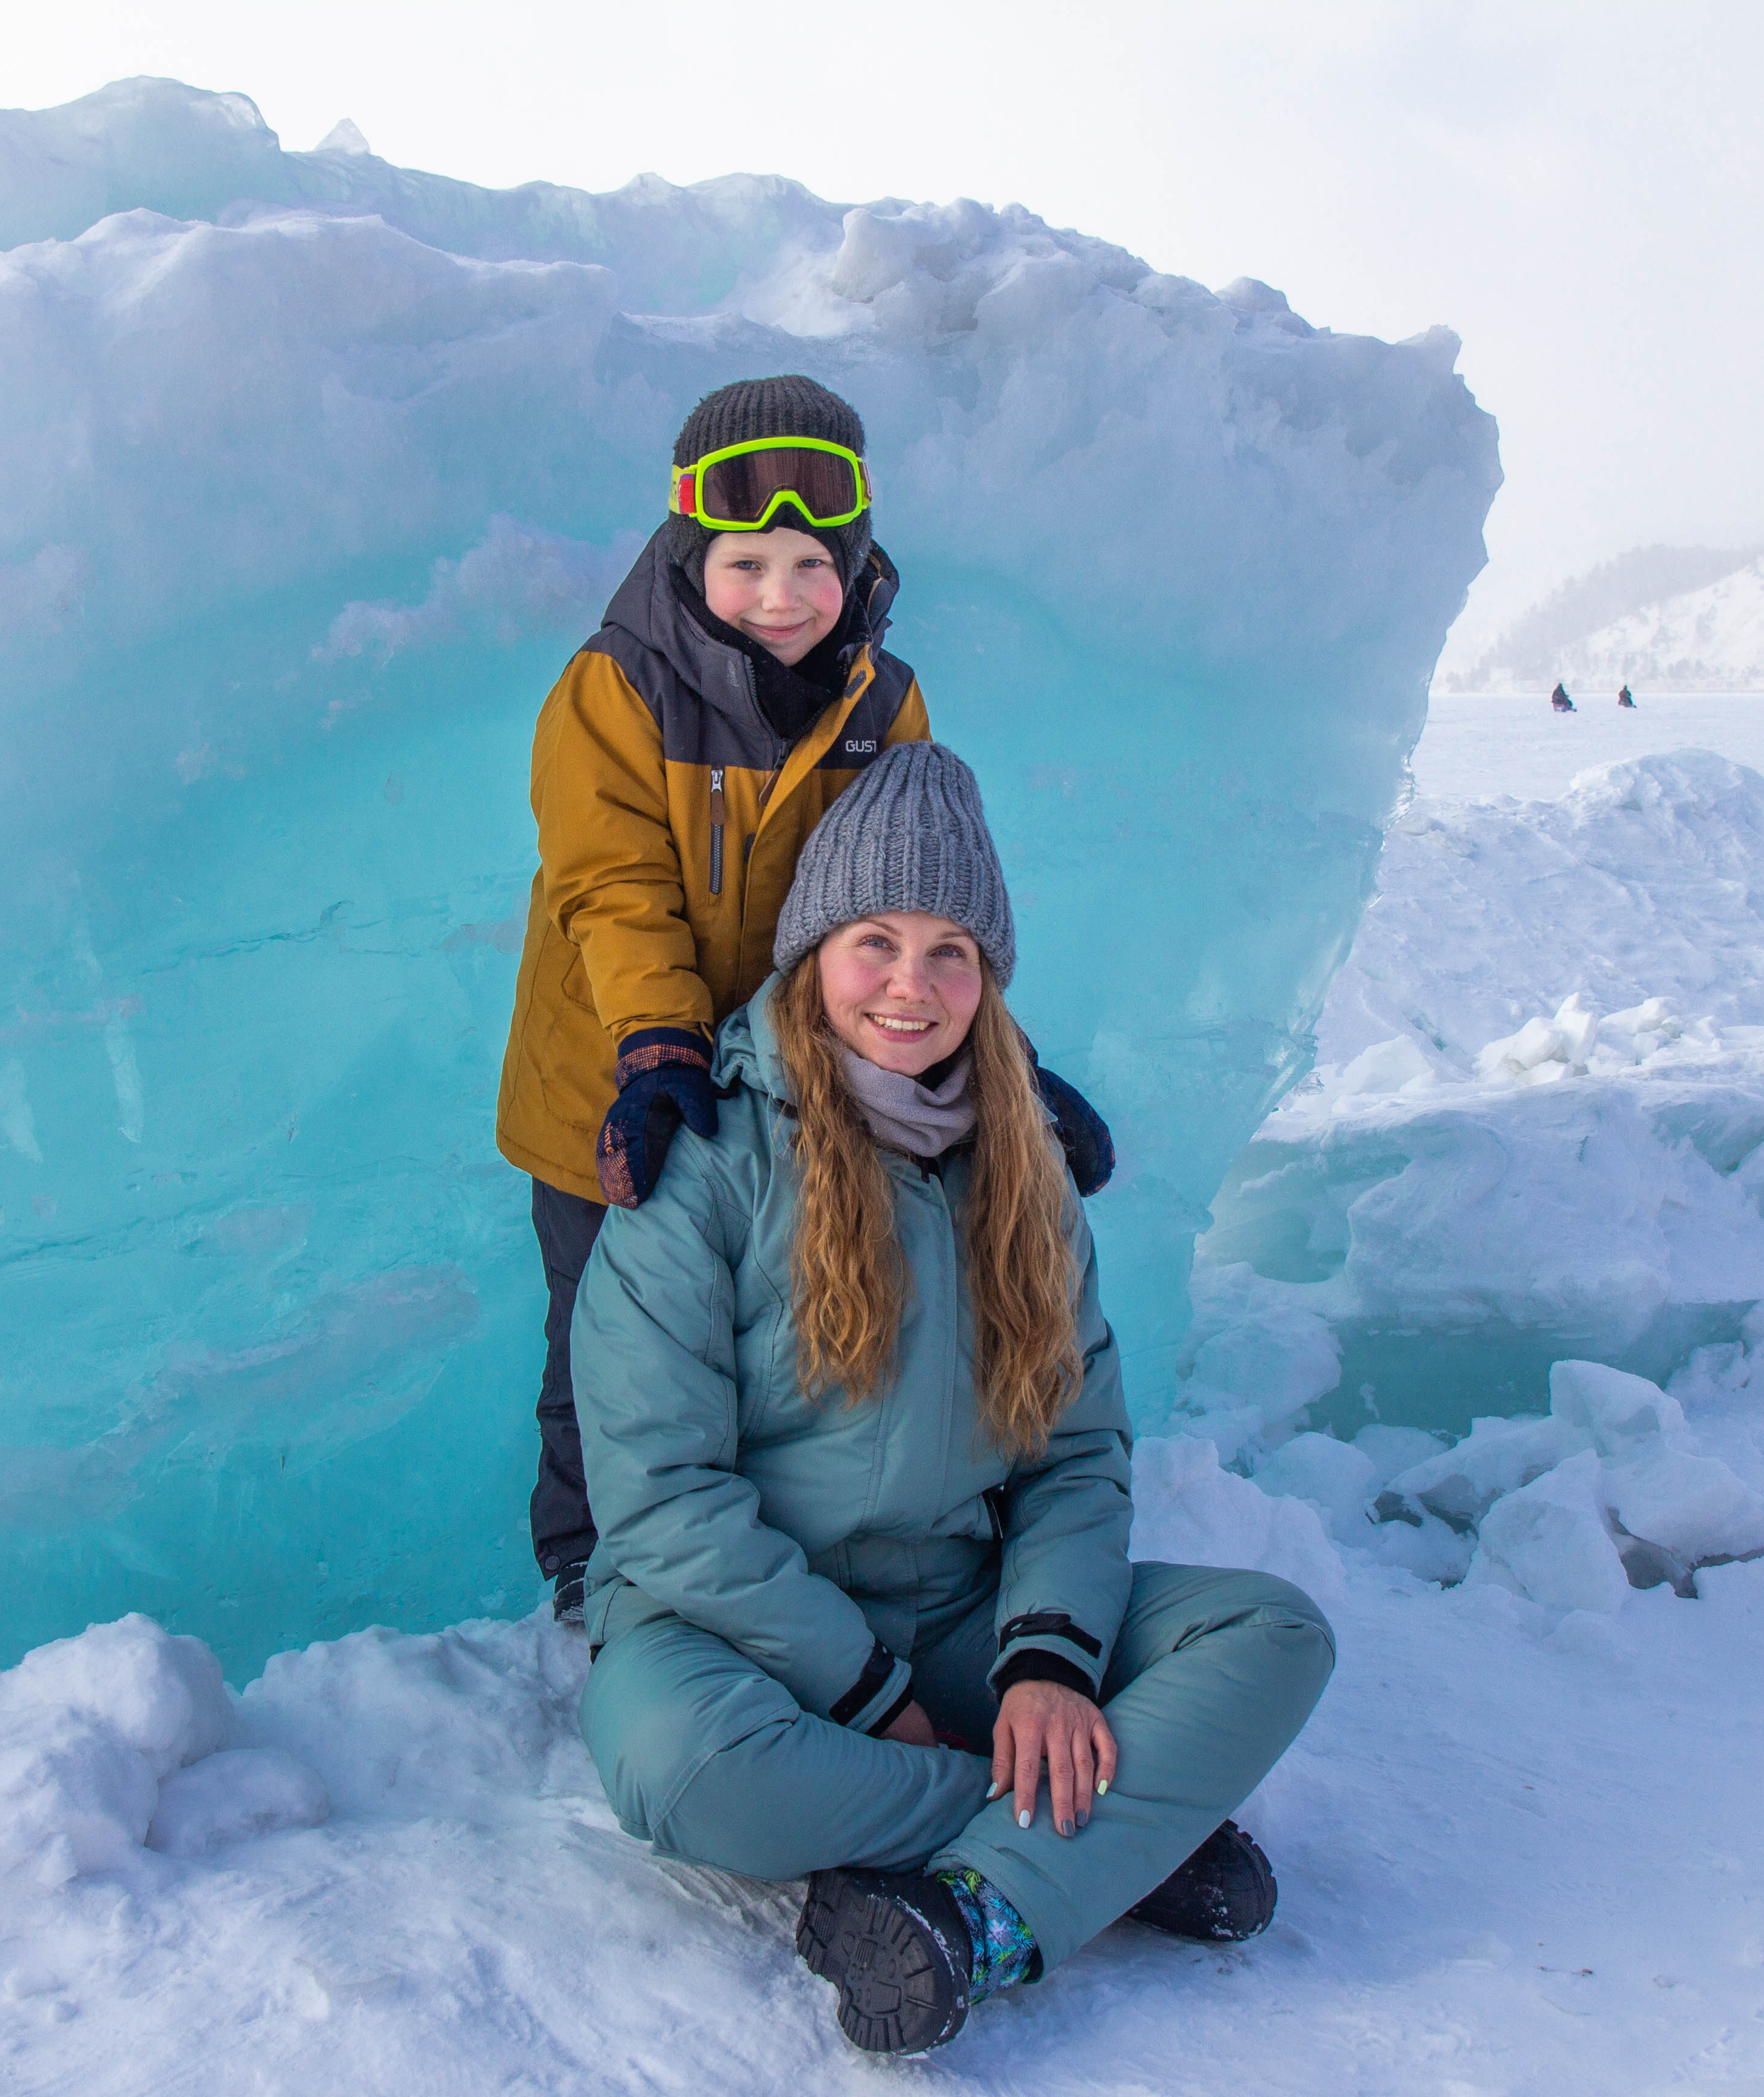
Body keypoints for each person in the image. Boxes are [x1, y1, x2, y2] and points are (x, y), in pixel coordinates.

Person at [568, 744, 1334, 2056]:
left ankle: (979, 1902)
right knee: (676, 1760)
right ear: (813, 953)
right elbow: (662, 1500)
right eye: (875, 941)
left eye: (951, 953)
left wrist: (1046, 1661)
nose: (911, 988)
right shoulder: (703, 1158)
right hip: (741, 1641)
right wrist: (866, 1691)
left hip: (967, 1611)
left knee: (1271, 1634)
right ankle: (1103, 1841)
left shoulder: (1027, 1168)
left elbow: (1076, 1458)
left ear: (989, 980)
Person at [496, 377, 1114, 1623]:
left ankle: (785, 1557)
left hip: (796, 1085)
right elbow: (613, 885)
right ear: (688, 554)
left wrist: (1003, 1065)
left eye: (809, 565)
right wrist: (662, 1048)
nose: (781, 596)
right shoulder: (613, 690)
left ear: (857, 563)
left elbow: (922, 900)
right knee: (601, 1331)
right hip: (616, 1073)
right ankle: (587, 1570)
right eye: (746, 564)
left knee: (783, 1322)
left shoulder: (884, 703)